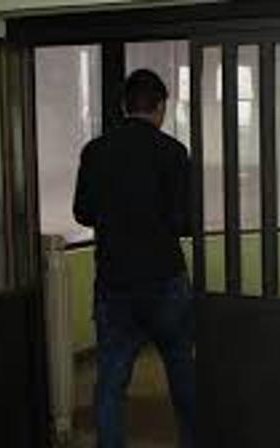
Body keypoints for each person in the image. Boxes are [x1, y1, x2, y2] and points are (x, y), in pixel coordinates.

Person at [73, 69, 194, 448]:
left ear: (124, 106)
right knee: (182, 371)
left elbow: (82, 213)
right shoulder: (173, 152)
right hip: (165, 279)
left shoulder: (95, 151)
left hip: (115, 282)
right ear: (160, 107)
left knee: (111, 381)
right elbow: (184, 221)